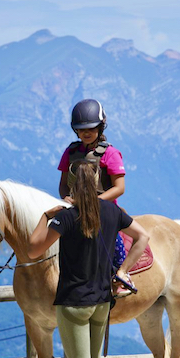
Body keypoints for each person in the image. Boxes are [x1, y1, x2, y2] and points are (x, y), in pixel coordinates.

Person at [29, 160, 150, 358]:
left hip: (73, 302)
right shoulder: (112, 211)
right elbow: (143, 237)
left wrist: (45, 215)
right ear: (98, 181)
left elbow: (33, 249)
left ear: (71, 185)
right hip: (102, 300)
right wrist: (122, 271)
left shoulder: (66, 217)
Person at [57, 99, 133, 296]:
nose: (86, 132)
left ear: (100, 127)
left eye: (91, 128)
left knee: (113, 240)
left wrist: (93, 202)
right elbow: (64, 183)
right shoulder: (71, 152)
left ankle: (120, 276)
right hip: (75, 207)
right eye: (82, 129)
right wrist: (65, 197)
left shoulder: (111, 153)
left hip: (104, 209)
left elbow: (119, 187)